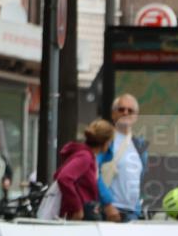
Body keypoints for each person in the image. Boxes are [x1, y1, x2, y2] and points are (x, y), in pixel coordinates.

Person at [98, 94, 148, 222]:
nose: (125, 112)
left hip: (133, 213)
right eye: (121, 109)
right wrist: (107, 205)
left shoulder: (140, 145)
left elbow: (141, 178)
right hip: (109, 212)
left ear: (136, 117)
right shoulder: (105, 140)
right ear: (113, 114)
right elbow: (93, 173)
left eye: (130, 110)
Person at [55, 118, 115, 221]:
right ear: (105, 142)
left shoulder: (88, 156)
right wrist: (77, 208)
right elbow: (64, 178)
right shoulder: (85, 157)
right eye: (110, 141)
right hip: (79, 216)